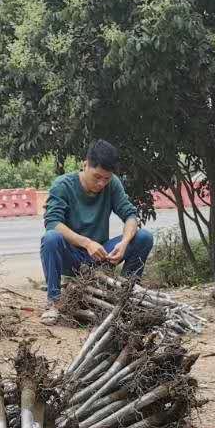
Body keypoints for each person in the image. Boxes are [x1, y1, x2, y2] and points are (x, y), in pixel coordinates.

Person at [39, 139, 154, 324]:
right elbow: (52, 223)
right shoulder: (62, 185)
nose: (101, 183)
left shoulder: (112, 184)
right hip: (73, 256)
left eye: (106, 178)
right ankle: (54, 302)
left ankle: (125, 294)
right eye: (97, 177)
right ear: (85, 165)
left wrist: (124, 243)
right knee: (51, 238)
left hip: (101, 256)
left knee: (144, 237)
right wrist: (86, 242)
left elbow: (131, 216)